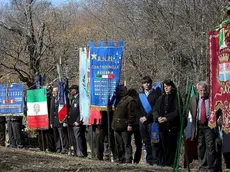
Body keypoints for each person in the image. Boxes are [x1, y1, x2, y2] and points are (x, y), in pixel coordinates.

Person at [190, 81, 219, 171]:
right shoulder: (193, 99)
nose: (203, 92)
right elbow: (192, 112)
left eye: (204, 90)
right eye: (201, 90)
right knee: (200, 145)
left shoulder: (212, 99)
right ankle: (202, 166)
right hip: (198, 125)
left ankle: (211, 167)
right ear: (197, 90)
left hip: (209, 125)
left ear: (207, 90)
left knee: (210, 146)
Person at [153, 79, 181, 166]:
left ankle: (170, 163)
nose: (166, 88)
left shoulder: (176, 97)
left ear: (172, 87)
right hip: (161, 126)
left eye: (168, 86)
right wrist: (158, 118)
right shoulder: (161, 97)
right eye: (165, 87)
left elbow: (177, 111)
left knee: (171, 146)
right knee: (162, 145)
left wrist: (167, 118)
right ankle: (162, 163)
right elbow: (155, 110)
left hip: (172, 126)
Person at [137, 76, 161, 165]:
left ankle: (156, 160)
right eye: (144, 83)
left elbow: (156, 108)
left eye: (148, 83)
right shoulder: (140, 95)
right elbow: (137, 108)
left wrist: (147, 117)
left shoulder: (156, 94)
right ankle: (149, 160)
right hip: (142, 122)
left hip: (152, 121)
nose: (146, 85)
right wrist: (140, 117)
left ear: (151, 84)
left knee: (154, 142)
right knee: (146, 142)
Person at [112, 85, 136, 163]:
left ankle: (128, 159)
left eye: (122, 90)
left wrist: (130, 124)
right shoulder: (116, 99)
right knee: (118, 143)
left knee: (126, 143)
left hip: (125, 125)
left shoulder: (130, 100)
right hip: (116, 125)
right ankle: (121, 158)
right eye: (119, 90)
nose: (121, 91)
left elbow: (131, 114)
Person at [67, 85, 87, 157]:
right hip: (71, 122)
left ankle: (80, 153)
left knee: (78, 138)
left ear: (75, 90)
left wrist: (78, 121)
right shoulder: (72, 99)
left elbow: (81, 111)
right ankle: (75, 152)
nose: (70, 91)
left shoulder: (80, 99)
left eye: (71, 90)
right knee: (73, 139)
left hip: (77, 122)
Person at [50, 85, 68, 153]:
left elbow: (63, 110)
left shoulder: (61, 99)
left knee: (62, 135)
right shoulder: (52, 99)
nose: (53, 93)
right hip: (54, 121)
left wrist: (64, 120)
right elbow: (51, 111)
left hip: (60, 120)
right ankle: (58, 148)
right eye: (53, 91)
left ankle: (64, 148)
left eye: (55, 91)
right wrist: (51, 122)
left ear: (58, 92)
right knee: (56, 136)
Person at [127, 88, 142, 164]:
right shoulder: (139, 100)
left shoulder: (129, 101)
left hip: (133, 124)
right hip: (137, 124)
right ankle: (136, 160)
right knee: (138, 144)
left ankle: (130, 158)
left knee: (128, 142)